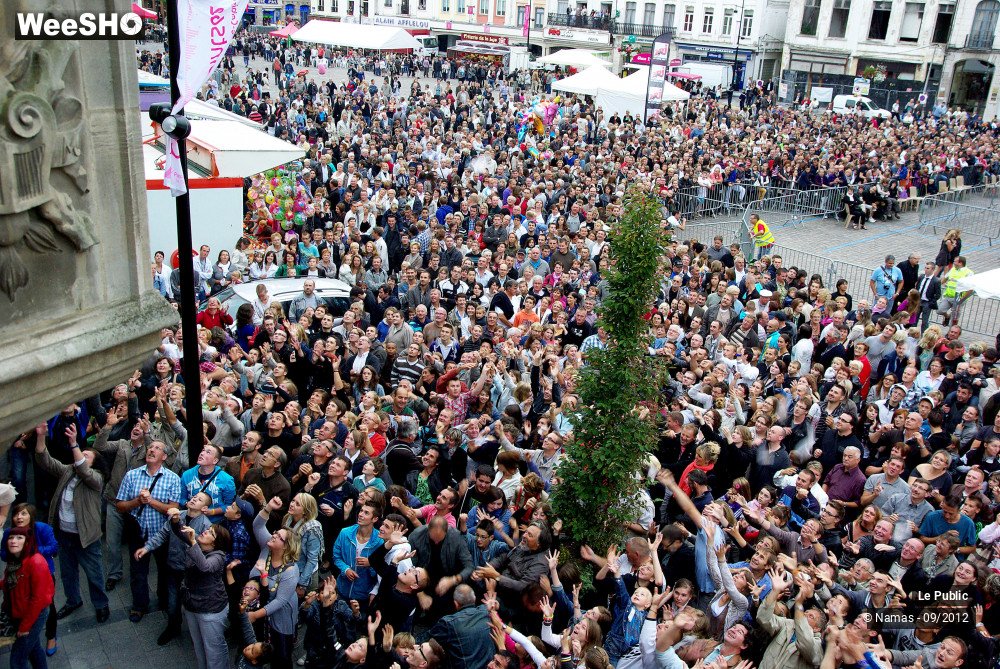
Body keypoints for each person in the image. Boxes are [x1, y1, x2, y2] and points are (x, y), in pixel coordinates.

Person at [115, 441, 182, 624]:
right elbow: (120, 505)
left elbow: (174, 509)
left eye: (158, 448)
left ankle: (164, 600)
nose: (152, 450)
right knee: (138, 571)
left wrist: (151, 501)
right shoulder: (132, 475)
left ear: (164, 457)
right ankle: (139, 605)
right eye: (150, 447)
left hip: (162, 534)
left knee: (164, 570)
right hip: (138, 532)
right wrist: (137, 501)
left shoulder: (172, 478)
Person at [169, 506, 231, 669]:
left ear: (216, 543)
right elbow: (180, 532)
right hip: (192, 605)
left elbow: (204, 567)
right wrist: (176, 519)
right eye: (208, 529)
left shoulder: (218, 556)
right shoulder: (199, 544)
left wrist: (193, 541)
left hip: (210, 608)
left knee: (213, 651)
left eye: (211, 533)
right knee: (199, 646)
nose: (205, 532)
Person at [1, 527, 54, 669]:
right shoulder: (15, 560)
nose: (13, 541)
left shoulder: (36, 562)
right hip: (20, 612)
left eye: (19, 538)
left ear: (27, 543)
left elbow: (38, 600)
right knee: (34, 649)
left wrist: (25, 627)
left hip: (33, 616)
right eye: (11, 538)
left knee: (17, 660)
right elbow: (10, 583)